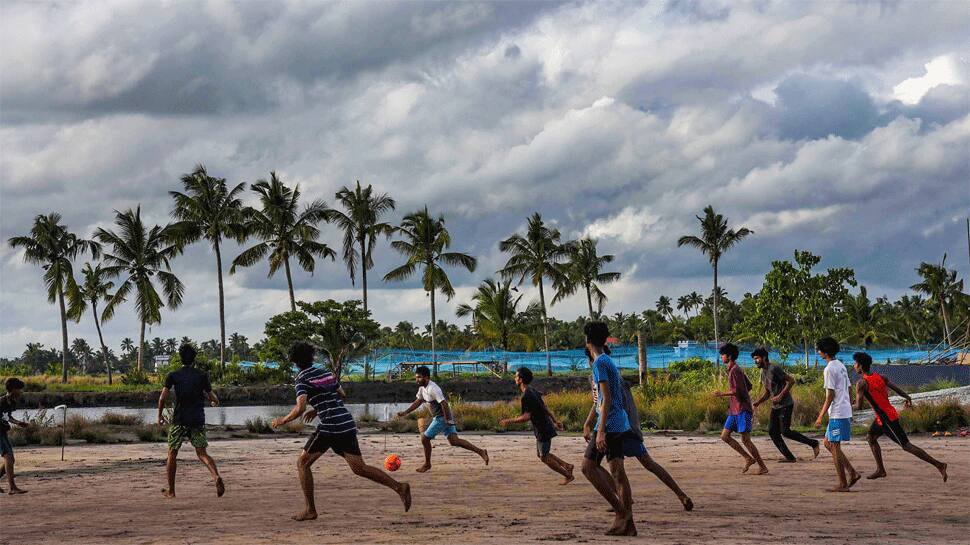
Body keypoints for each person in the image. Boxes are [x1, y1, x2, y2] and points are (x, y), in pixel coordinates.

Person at [272, 341, 411, 521]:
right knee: (359, 468)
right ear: (311, 356)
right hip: (346, 423)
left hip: (330, 426)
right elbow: (341, 395)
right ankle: (399, 487)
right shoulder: (325, 373)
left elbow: (299, 408)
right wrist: (317, 408)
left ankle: (310, 510)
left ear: (294, 361)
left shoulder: (302, 379)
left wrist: (281, 420)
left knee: (302, 464)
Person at [583, 348, 693, 512]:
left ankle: (679, 495)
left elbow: (620, 404)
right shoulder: (597, 376)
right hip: (613, 426)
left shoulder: (611, 376)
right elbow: (598, 402)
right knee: (605, 465)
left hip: (620, 427)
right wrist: (588, 423)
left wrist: (630, 428)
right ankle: (626, 498)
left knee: (635, 464)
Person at [852, 352, 947, 482]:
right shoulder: (881, 377)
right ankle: (880, 470)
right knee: (871, 438)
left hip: (886, 419)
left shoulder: (862, 383)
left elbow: (859, 406)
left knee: (906, 446)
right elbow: (897, 389)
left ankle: (939, 465)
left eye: (855, 363)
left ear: (861, 366)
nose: (854, 366)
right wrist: (907, 397)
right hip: (886, 416)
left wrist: (842, 405)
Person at [580, 321, 637, 537]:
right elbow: (601, 400)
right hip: (616, 422)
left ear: (587, 341)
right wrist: (588, 422)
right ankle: (628, 523)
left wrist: (600, 430)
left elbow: (608, 399)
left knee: (587, 467)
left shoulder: (600, 364)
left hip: (610, 424)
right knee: (617, 472)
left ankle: (621, 513)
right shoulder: (607, 361)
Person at [157, 344, 224, 498]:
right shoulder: (202, 375)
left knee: (172, 453)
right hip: (197, 419)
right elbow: (214, 398)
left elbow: (162, 398)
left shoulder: (173, 375)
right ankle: (215, 476)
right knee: (201, 453)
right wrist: (213, 401)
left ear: (180, 358)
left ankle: (172, 490)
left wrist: (159, 416)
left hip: (179, 419)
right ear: (194, 359)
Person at [396, 365, 489, 473]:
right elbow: (418, 401)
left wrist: (447, 420)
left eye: (419, 377)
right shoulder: (422, 388)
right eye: (416, 377)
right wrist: (405, 412)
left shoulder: (433, 388)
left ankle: (427, 464)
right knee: (454, 441)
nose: (417, 379)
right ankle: (481, 451)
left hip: (442, 417)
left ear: (426, 377)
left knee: (424, 439)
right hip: (442, 417)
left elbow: (444, 404)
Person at [499, 367, 573, 484]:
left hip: (542, 428)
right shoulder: (532, 390)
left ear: (521, 379)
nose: (515, 378)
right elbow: (545, 408)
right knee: (541, 454)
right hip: (544, 426)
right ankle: (567, 465)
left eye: (516, 376)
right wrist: (555, 421)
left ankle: (567, 475)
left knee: (544, 457)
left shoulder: (526, 395)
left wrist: (509, 421)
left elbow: (526, 417)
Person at [751, 348, 820, 462]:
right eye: (754, 359)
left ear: (764, 357)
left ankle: (813, 443)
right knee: (773, 432)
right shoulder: (763, 373)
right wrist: (759, 402)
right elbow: (768, 392)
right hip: (775, 406)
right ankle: (790, 458)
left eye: (757, 358)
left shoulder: (774, 369)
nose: (756, 361)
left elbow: (791, 381)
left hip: (786, 404)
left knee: (785, 431)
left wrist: (780, 396)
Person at [813, 337, 860, 492]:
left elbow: (830, 395)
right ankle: (852, 472)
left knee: (834, 445)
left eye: (819, 350)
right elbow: (849, 387)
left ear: (825, 352)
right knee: (828, 443)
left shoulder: (829, 369)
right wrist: (850, 404)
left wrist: (820, 416)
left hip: (837, 413)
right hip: (843, 410)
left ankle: (843, 483)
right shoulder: (840, 365)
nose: (818, 352)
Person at [714, 343, 768, 475]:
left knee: (745, 439)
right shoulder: (735, 369)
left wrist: (722, 394)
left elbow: (736, 390)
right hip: (735, 410)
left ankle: (762, 466)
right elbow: (748, 386)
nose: (721, 357)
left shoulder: (735, 370)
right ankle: (748, 458)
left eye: (723, 355)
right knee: (725, 436)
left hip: (742, 409)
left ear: (730, 356)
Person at [0, 377, 29, 495]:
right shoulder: (1, 401)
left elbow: (7, 417)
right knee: (8, 457)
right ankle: (12, 488)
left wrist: (18, 423)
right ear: (13, 389)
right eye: (19, 389)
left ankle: (12, 486)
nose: (21, 392)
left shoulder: (11, 402)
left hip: (2, 432)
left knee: (10, 459)